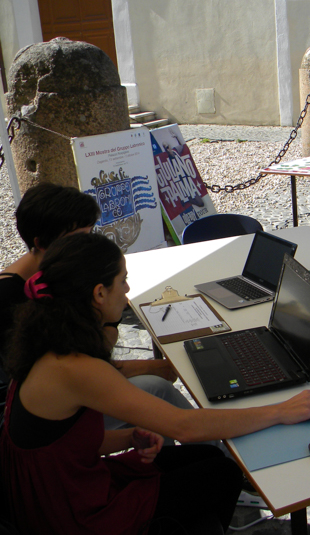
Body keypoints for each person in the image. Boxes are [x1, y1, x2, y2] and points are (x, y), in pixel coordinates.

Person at [0, 232, 310, 534]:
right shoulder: (76, 367)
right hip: (72, 514)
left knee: (208, 462)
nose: (129, 290)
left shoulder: (44, 340)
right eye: (123, 281)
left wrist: (126, 437)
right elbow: (185, 427)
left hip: (54, 489)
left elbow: (63, 444)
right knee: (221, 474)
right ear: (99, 294)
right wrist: (282, 410)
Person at [0, 183, 195, 438]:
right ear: (41, 243)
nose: (89, 244)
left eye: (91, 233)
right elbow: (84, 367)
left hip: (72, 395)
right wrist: (146, 365)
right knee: (159, 390)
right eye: (80, 238)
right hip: (49, 419)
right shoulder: (9, 300)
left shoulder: (63, 276)